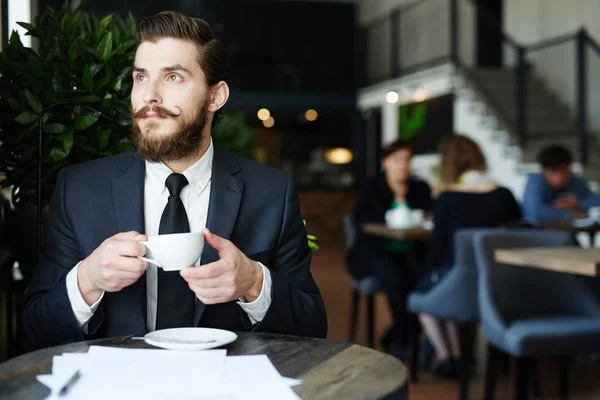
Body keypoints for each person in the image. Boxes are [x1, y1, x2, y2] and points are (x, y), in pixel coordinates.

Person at [21, 11, 327, 352]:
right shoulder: (79, 190)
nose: (149, 95)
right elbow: (34, 331)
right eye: (140, 77)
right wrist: (87, 281)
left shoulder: (271, 194)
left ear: (215, 96)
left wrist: (254, 283)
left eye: (173, 78)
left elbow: (312, 327)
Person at [417, 134, 521, 378]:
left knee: (423, 297)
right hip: (500, 281)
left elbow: (437, 246)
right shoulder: (504, 194)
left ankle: (446, 356)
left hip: (460, 281)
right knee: (448, 288)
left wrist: (428, 270)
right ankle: (461, 356)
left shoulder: (447, 198)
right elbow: (517, 230)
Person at [348, 139, 432, 354]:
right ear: (385, 162)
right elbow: (359, 220)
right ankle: (405, 341)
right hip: (375, 252)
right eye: (397, 160)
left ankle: (395, 335)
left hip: (412, 250)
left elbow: (431, 216)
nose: (403, 165)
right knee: (396, 279)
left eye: (406, 160)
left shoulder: (420, 188)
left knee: (427, 280)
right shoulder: (373, 186)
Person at [522, 144, 600, 221]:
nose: (559, 178)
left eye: (563, 172)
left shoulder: (576, 181)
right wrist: (570, 214)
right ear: (544, 170)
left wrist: (578, 204)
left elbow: (596, 200)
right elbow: (534, 213)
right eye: (553, 172)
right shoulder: (535, 182)